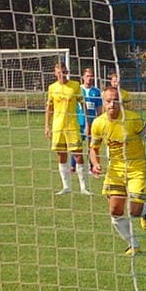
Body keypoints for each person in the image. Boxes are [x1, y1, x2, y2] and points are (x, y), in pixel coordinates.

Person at [89, 86, 146, 255]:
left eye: (116, 100)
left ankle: (145, 210)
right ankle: (134, 245)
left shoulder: (133, 120)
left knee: (134, 210)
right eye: (108, 100)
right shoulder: (98, 123)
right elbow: (93, 148)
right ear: (103, 102)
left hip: (136, 168)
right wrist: (95, 164)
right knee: (115, 210)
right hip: (115, 170)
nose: (112, 104)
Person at [44, 62, 90, 195]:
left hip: (72, 126)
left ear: (67, 72)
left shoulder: (75, 86)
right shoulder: (52, 88)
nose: (62, 75)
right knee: (61, 156)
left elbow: (83, 104)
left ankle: (83, 187)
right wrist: (47, 125)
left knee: (78, 156)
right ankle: (66, 187)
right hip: (58, 126)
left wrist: (87, 123)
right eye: (59, 73)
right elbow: (50, 108)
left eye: (64, 72)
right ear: (55, 73)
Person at [71, 67, 103, 172]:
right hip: (79, 121)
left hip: (92, 121)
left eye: (91, 76)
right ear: (83, 77)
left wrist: (99, 120)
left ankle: (91, 166)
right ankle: (73, 166)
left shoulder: (96, 91)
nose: (89, 78)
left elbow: (99, 108)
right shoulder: (78, 90)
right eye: (87, 76)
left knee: (92, 144)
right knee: (76, 144)